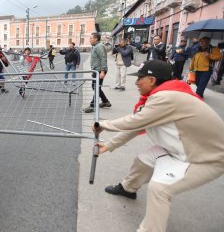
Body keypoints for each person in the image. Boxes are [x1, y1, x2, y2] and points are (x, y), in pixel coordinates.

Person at [93, 60, 224, 232]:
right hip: (183, 148)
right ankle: (128, 188)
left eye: (140, 78)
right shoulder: (165, 95)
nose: (136, 82)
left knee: (160, 189)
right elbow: (137, 126)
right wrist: (108, 146)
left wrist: (103, 124)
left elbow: (135, 121)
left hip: (206, 158)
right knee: (143, 160)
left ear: (152, 80)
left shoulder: (167, 97)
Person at [84, 33, 111, 113]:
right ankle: (105, 101)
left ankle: (92, 105)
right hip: (96, 70)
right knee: (96, 87)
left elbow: (103, 59)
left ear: (96, 39)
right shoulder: (96, 46)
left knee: (96, 87)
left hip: (100, 70)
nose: (90, 39)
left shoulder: (99, 46)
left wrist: (102, 71)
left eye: (91, 38)